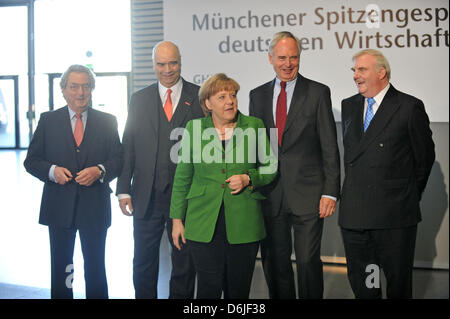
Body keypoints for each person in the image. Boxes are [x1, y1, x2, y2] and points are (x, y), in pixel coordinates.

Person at [249, 31, 340, 299]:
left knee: (308, 263)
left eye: (293, 57)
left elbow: (329, 146)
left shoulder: (318, 92)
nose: (288, 64)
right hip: (270, 194)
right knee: (275, 264)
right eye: (282, 58)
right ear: (270, 58)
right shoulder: (257, 95)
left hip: (309, 195)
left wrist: (330, 191)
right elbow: (256, 146)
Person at [170, 73, 277, 299]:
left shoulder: (254, 125)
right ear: (208, 103)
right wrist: (177, 220)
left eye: (233, 95)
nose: (230, 101)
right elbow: (182, 177)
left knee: (237, 292)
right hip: (202, 222)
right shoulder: (193, 128)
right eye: (222, 96)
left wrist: (249, 178)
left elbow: (271, 166)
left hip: (244, 222)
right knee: (207, 290)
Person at [339, 49, 435, 299]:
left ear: (382, 72)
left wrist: (405, 196)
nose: (355, 76)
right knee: (367, 284)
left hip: (394, 217)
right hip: (356, 218)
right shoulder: (348, 106)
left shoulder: (408, 106)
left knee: (397, 284)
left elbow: (424, 159)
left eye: (362, 70)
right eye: (354, 70)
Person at [23, 64, 123, 299]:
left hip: (95, 208)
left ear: (92, 89)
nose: (80, 92)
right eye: (74, 87)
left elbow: (119, 159)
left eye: (85, 86)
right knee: (62, 269)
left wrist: (100, 170)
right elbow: (32, 161)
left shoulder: (108, 121)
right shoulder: (48, 121)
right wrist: (52, 170)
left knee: (96, 268)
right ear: (64, 90)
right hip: (59, 207)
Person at [116, 41, 203, 299]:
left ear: (180, 61)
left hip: (186, 198)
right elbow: (128, 145)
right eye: (161, 64)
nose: (167, 69)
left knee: (184, 264)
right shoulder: (139, 99)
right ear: (153, 65)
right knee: (143, 262)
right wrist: (123, 190)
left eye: (173, 63)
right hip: (146, 196)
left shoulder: (198, 97)